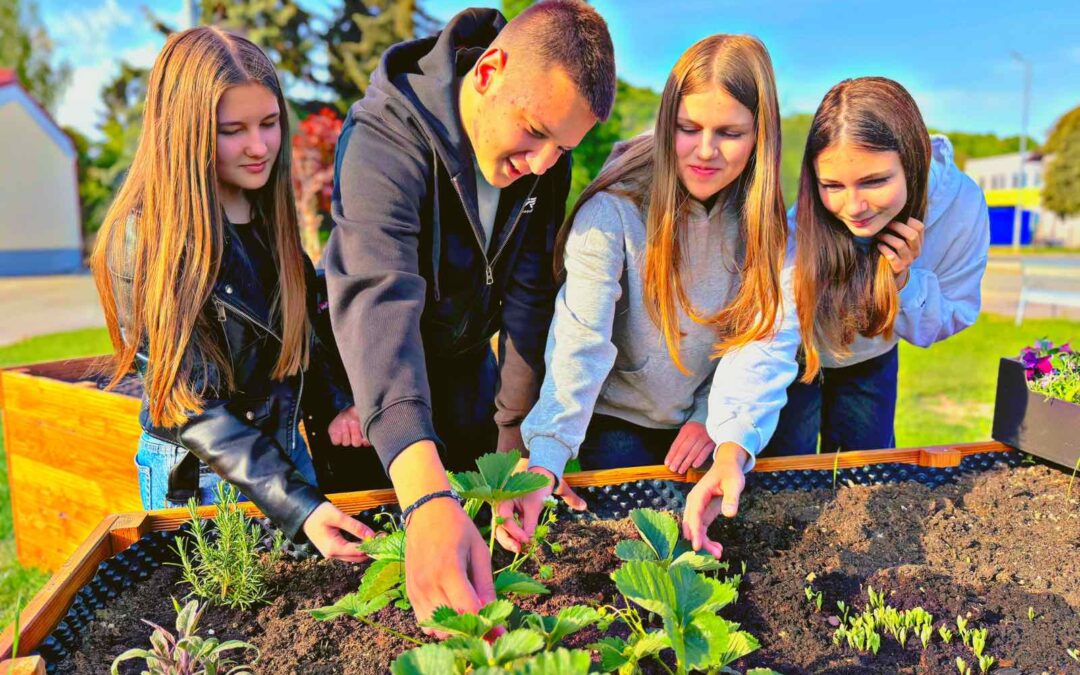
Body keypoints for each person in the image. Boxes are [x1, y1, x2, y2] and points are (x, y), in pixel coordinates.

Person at [322, 2, 616, 626]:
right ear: (488, 73)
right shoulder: (382, 139)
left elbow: (531, 297)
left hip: (465, 368)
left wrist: (516, 442)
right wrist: (425, 496)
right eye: (535, 133)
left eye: (561, 148)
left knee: (479, 522)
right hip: (377, 382)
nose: (541, 165)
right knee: (388, 557)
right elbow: (379, 301)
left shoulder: (544, 165)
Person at [495, 34, 802, 560]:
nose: (705, 151)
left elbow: (756, 341)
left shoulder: (767, 227)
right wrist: (546, 456)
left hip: (704, 421)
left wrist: (716, 420)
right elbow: (580, 343)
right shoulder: (612, 212)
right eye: (688, 129)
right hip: (616, 421)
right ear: (667, 126)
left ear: (761, 136)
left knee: (717, 552)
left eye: (730, 133)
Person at [91, 27, 372, 562]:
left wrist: (340, 403)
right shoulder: (144, 237)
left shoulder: (268, 215)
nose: (259, 146)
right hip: (200, 479)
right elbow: (189, 406)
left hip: (282, 457)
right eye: (232, 130)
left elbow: (302, 334)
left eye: (269, 124)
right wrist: (299, 504)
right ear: (183, 132)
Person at [765, 76, 989, 455]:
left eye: (874, 181)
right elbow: (770, 330)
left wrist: (903, 283)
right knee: (788, 476)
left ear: (913, 161)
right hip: (795, 354)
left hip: (871, 358)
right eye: (833, 186)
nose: (854, 208)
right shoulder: (799, 222)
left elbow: (955, 312)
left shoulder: (962, 206)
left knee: (868, 475)